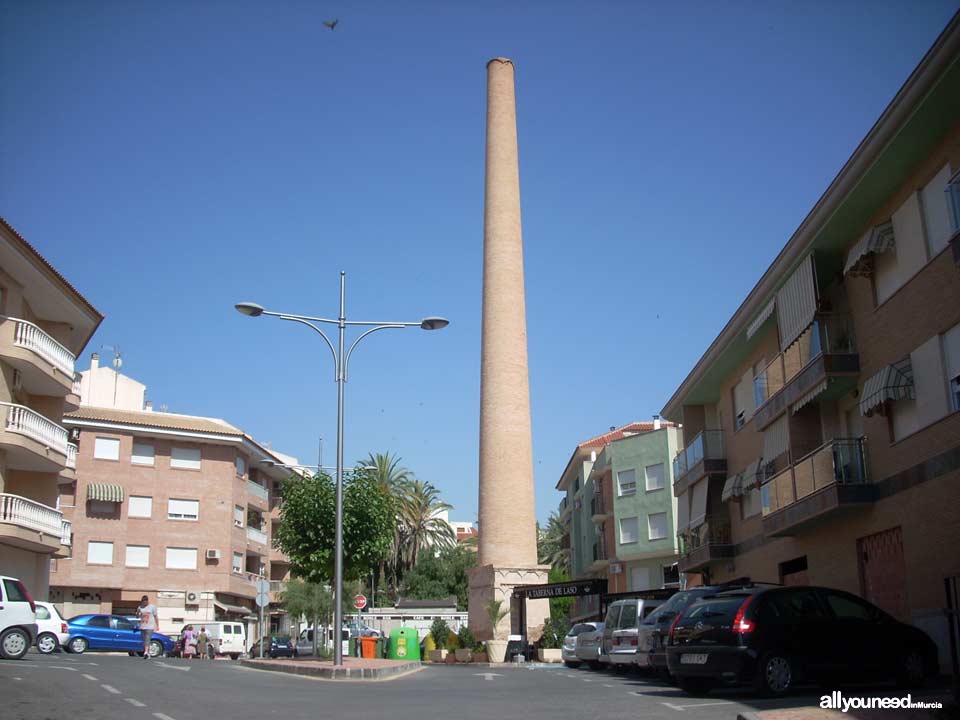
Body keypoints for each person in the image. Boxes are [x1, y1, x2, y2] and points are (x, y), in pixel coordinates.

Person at [138, 595, 159, 659]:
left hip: (150, 626)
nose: (144, 603)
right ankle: (147, 653)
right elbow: (137, 616)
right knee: (144, 640)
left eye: (145, 601)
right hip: (142, 626)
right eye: (143, 602)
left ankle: (146, 652)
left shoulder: (152, 607)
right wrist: (137, 612)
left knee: (147, 639)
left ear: (147, 601)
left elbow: (155, 617)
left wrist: (157, 625)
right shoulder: (140, 607)